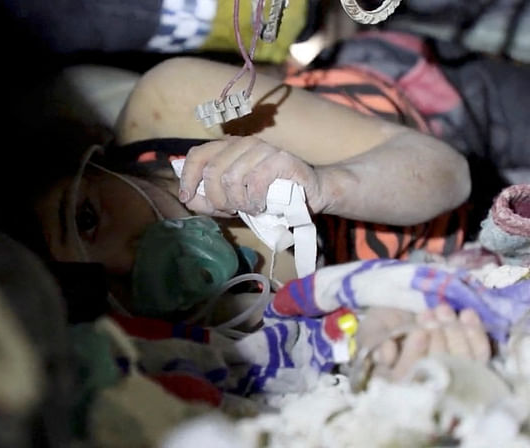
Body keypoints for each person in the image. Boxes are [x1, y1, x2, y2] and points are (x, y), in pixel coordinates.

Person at [30, 29, 530, 382]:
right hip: (464, 241)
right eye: (99, 287)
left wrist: (326, 184)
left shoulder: (172, 105)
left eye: (87, 218)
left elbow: (448, 173)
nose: (128, 257)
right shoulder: (182, 338)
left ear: (92, 160)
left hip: (437, 114)